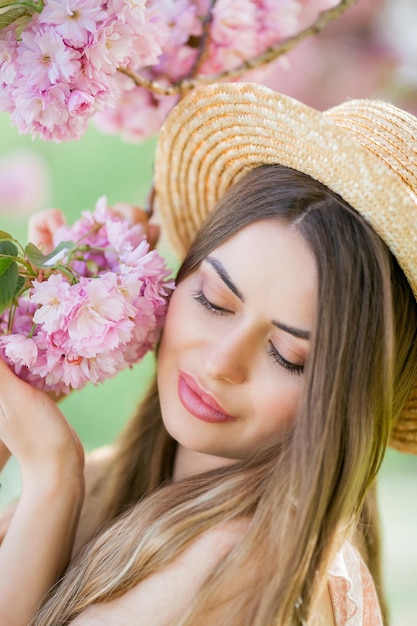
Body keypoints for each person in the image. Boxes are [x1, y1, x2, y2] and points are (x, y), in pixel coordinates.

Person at [1, 81, 417, 626]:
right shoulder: (120, 481)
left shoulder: (242, 568)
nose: (223, 361)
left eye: (289, 355)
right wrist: (40, 356)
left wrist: (53, 476)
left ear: (349, 397)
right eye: (214, 301)